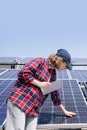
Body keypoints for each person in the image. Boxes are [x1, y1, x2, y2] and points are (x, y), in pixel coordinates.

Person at [5, 49, 76, 130]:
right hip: (20, 101)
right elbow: (23, 72)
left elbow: (54, 94)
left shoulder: (53, 74)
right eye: (66, 66)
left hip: (33, 108)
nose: (65, 68)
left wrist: (64, 111)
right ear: (61, 61)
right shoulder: (41, 61)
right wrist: (40, 84)